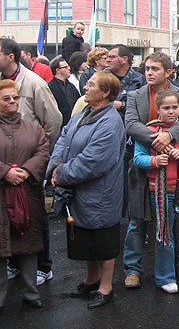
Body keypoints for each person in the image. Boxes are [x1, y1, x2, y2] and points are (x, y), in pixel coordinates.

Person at [48, 71, 125, 308]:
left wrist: (61, 174)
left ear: (105, 93)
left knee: (103, 239)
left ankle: (106, 287)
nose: (85, 88)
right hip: (80, 189)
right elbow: (64, 137)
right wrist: (56, 164)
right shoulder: (84, 112)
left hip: (101, 191)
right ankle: (92, 280)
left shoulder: (110, 122)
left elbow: (94, 161)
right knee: (85, 235)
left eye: (91, 85)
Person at [123, 53, 179, 290]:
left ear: (168, 72)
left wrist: (171, 135)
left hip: (174, 169)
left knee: (174, 224)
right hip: (145, 161)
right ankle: (132, 269)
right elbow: (131, 125)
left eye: (155, 68)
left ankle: (178, 269)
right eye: (146, 68)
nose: (149, 72)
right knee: (137, 219)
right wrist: (158, 139)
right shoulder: (135, 96)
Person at [0, 40, 61, 287]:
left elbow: (53, 122)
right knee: (9, 213)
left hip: (31, 163)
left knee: (35, 214)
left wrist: (37, 155)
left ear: (11, 57)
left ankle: (43, 266)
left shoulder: (34, 83)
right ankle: (15, 262)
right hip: (6, 164)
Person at [133, 88, 179, 293]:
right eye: (166, 108)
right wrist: (155, 160)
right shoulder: (148, 132)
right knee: (164, 233)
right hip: (160, 191)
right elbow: (138, 158)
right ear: (158, 109)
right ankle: (165, 277)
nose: (171, 111)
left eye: (175, 107)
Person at [0, 80, 49, 310]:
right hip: (2, 194)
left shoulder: (34, 128)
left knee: (29, 244)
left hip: (28, 194)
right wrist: (5, 172)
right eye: (6, 99)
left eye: (15, 98)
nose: (12, 102)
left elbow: (42, 150)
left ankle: (31, 293)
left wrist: (26, 170)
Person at [106, 44, 146, 120]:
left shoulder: (140, 81)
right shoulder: (102, 78)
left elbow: (144, 107)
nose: (108, 60)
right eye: (107, 57)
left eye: (112, 57)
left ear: (124, 59)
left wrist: (122, 105)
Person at [48, 56, 80, 128]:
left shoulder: (71, 86)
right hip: (59, 125)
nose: (69, 69)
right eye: (66, 67)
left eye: (68, 66)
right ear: (58, 70)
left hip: (72, 123)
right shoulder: (50, 87)